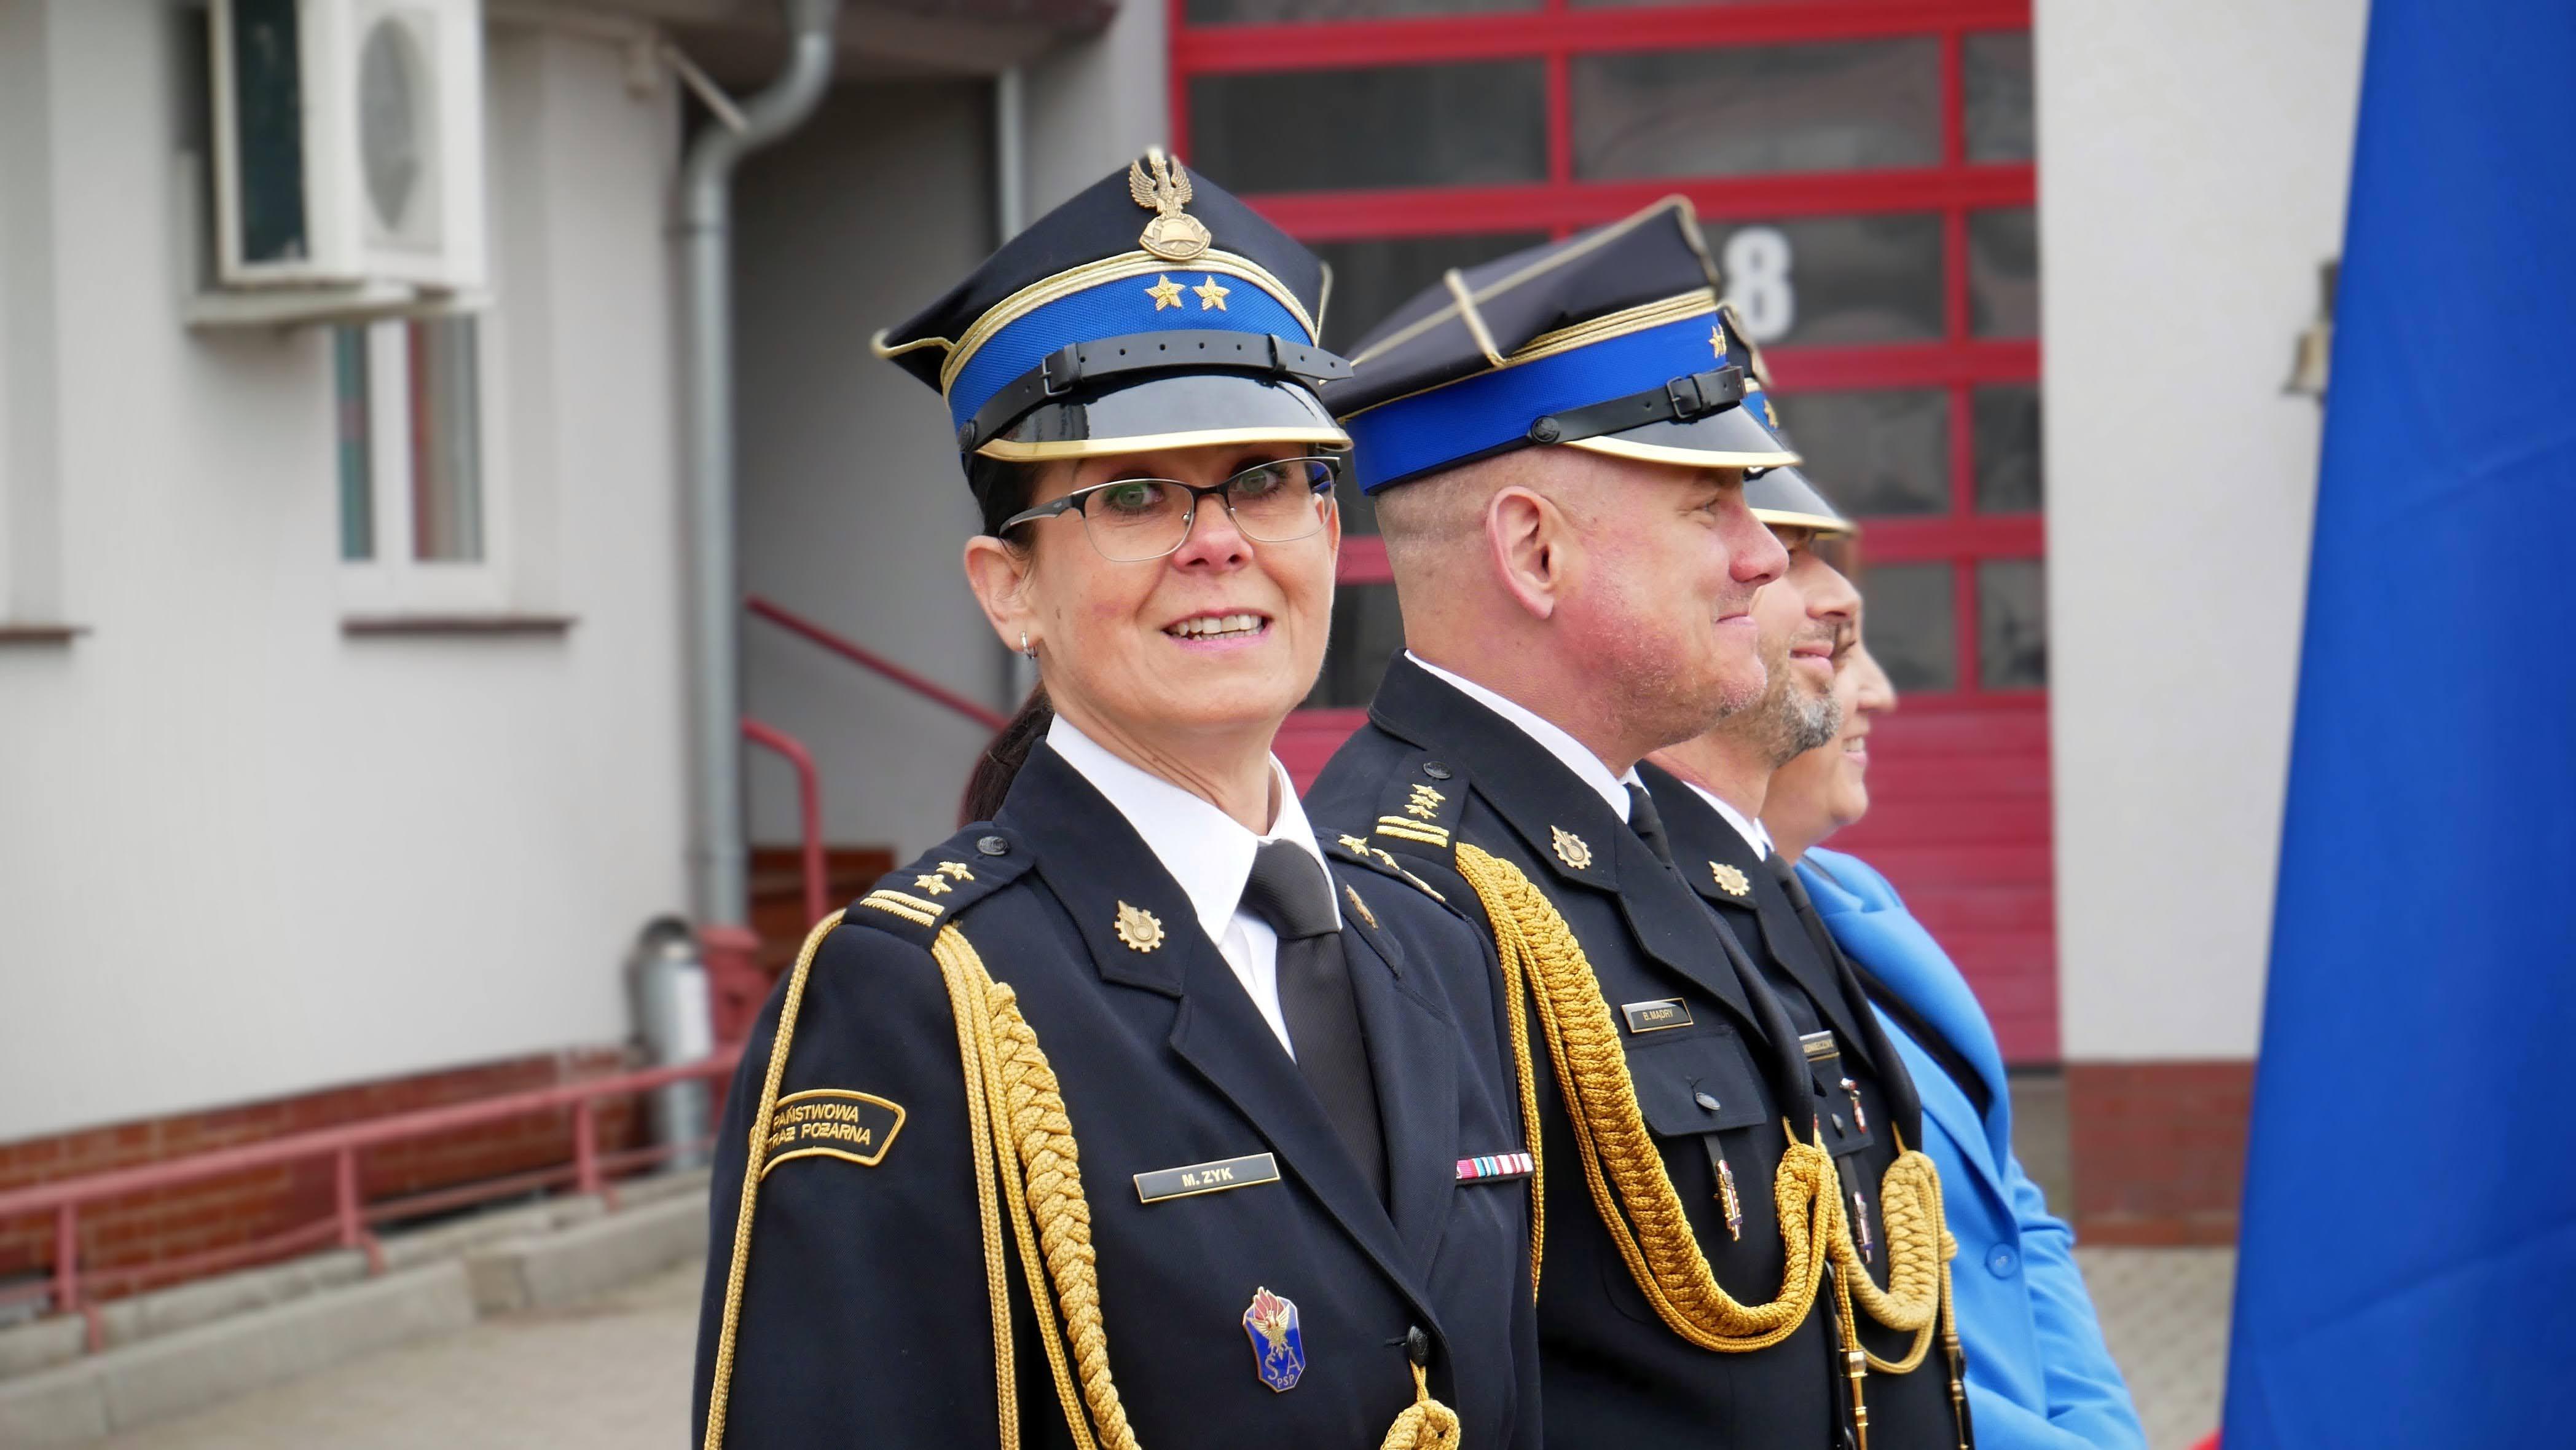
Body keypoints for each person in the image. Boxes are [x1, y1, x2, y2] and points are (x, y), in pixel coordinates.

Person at [691, 151, 1540, 1450]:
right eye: (1133, 496)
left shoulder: (1434, 941)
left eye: (1266, 480)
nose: (1219, 541)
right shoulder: (918, 998)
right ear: (1008, 590)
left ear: (1328, 536)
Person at [1306, 198, 1964, 1449]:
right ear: (1534, 553)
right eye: (1708, 505)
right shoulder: (1393, 903)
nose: (1764, 557)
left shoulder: (1682, 838)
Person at [1637, 418, 1970, 1446]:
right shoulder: (1595, 899)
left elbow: (2012, 1237)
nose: (1830, 598)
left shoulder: (1829, 895)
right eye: (1787, 549)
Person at [1764, 615, 2147, 1450]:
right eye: (1830, 652)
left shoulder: (1856, 898)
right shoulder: (1669, 943)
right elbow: (1818, 1340)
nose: (1880, 692)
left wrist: (2099, 1427)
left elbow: (2014, 1214)